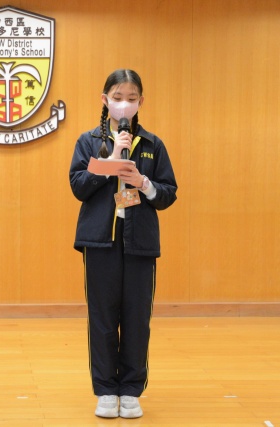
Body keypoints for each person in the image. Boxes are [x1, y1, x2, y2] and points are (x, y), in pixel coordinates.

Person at [69, 69, 177, 419]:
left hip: (139, 242)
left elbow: (168, 194)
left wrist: (144, 183)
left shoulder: (152, 144)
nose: (124, 104)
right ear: (105, 100)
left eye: (131, 98)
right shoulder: (88, 141)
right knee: (102, 318)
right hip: (99, 241)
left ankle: (131, 390)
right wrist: (111, 161)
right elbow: (78, 187)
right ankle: (105, 390)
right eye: (117, 98)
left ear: (141, 101)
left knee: (136, 318)